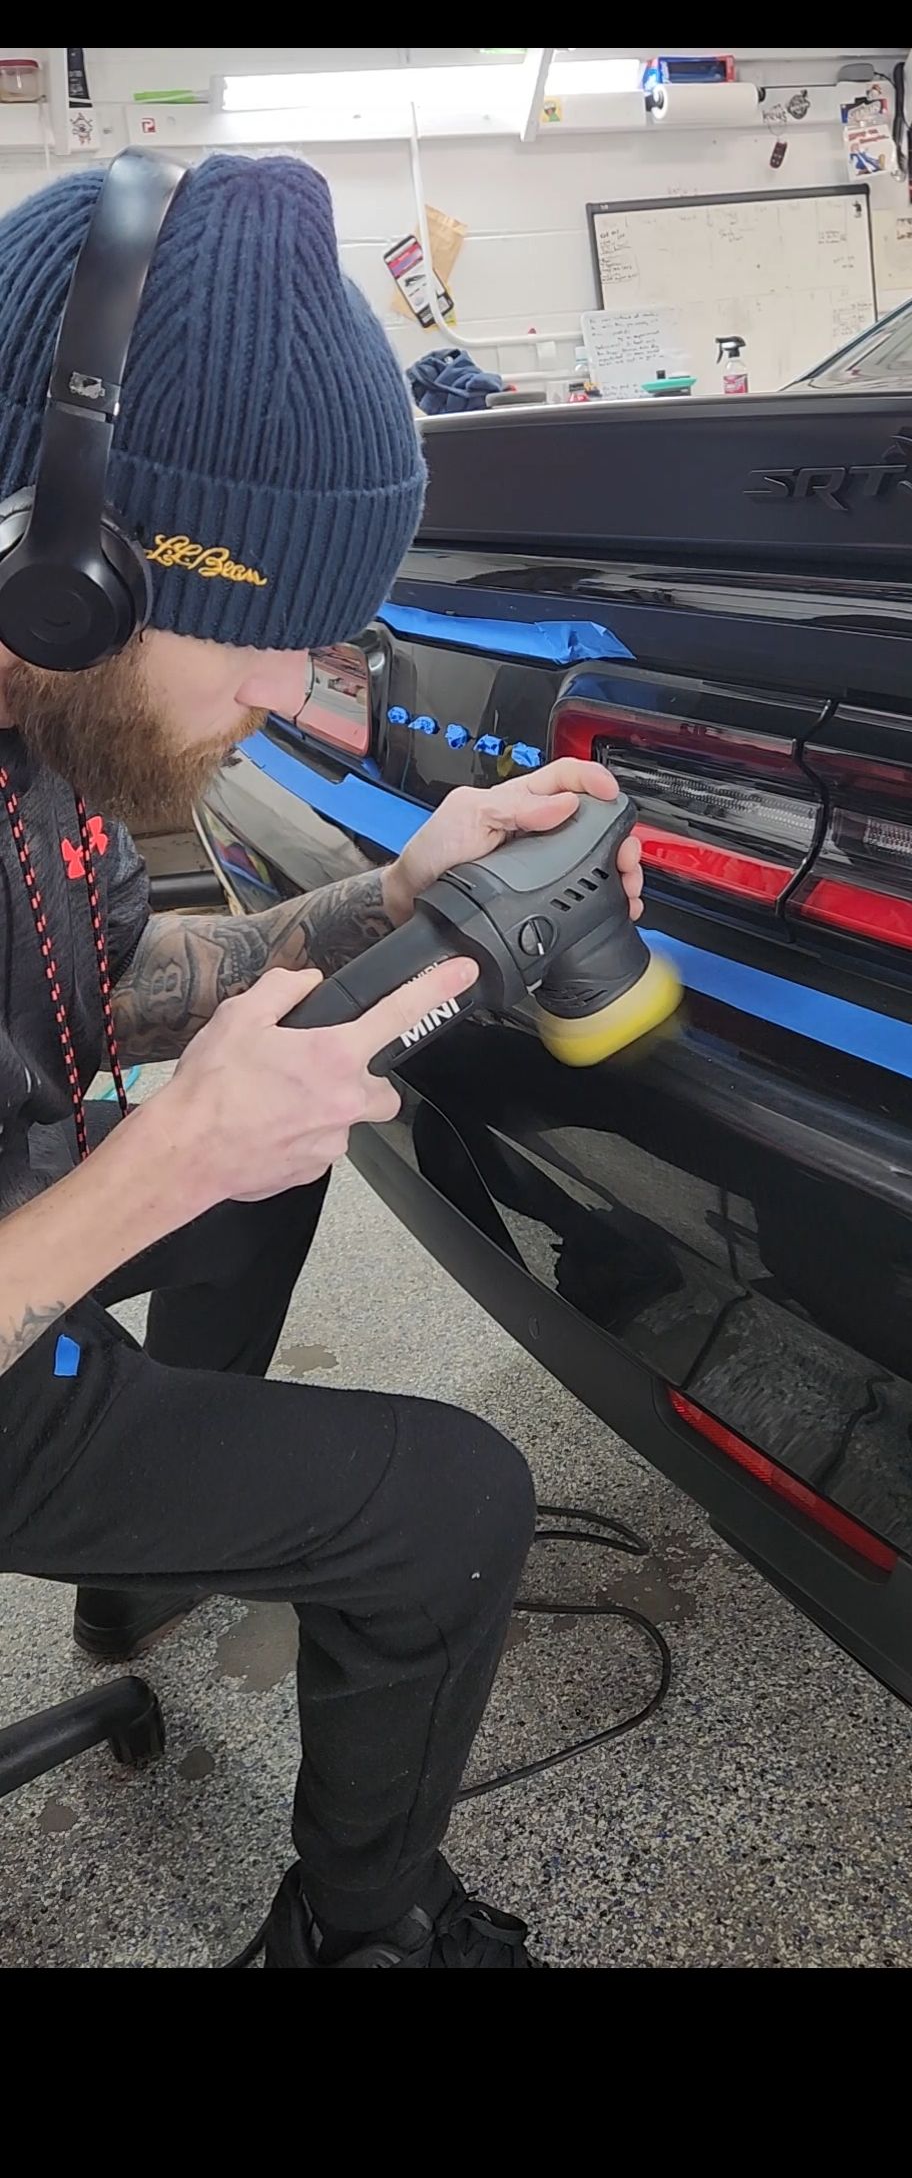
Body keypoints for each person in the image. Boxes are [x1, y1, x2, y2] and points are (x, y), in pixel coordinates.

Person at [0, 153, 643, 1970]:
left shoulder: (43, 717)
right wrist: (164, 1160)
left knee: (258, 1189)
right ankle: (359, 1938)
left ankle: (133, 1557)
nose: (292, 690)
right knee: (452, 1502)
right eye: (268, 627)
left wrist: (399, 890)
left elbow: (120, 976)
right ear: (67, 566)